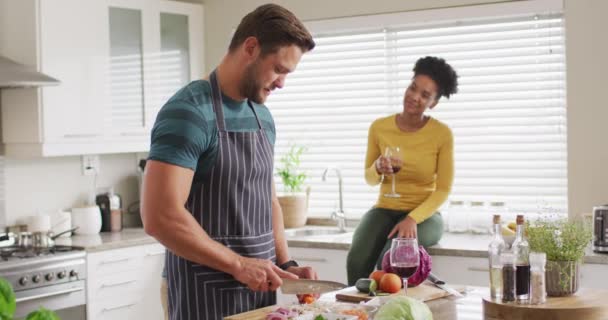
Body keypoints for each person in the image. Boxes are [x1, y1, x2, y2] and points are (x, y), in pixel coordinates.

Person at [141, 4, 316, 319]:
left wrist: (286, 264)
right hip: (203, 296)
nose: (281, 83)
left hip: (259, 298)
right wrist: (238, 265)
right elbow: (159, 216)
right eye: (279, 69)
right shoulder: (189, 112)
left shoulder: (262, 115)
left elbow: (269, 199)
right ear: (251, 48)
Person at [346, 56, 458, 285]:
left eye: (425, 95)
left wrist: (412, 218)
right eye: (413, 87)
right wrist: (377, 167)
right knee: (357, 258)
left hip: (424, 216)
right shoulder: (380, 127)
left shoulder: (441, 134)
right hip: (385, 209)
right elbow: (369, 178)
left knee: (390, 258)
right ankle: (356, 311)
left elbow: (443, 189)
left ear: (433, 103)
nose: (415, 97)